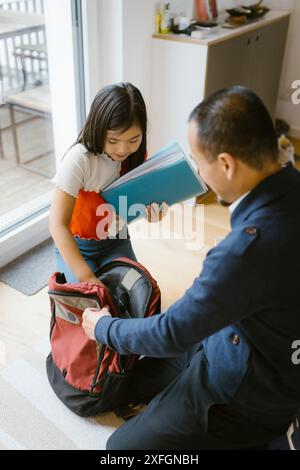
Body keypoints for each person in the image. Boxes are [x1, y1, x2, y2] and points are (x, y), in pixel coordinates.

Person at [82, 86, 300, 450]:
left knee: (119, 451)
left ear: (227, 164)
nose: (197, 171)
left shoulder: (246, 250)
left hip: (245, 394)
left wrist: (103, 327)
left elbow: (171, 333)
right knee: (127, 385)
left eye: (199, 162)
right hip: (253, 344)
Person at [50, 82, 168, 284]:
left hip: (116, 241)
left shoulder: (136, 157)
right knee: (90, 302)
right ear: (98, 128)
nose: (123, 149)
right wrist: (86, 276)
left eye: (133, 139)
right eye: (113, 141)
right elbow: (57, 225)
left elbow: (132, 205)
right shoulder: (80, 159)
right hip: (77, 246)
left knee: (138, 290)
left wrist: (152, 214)